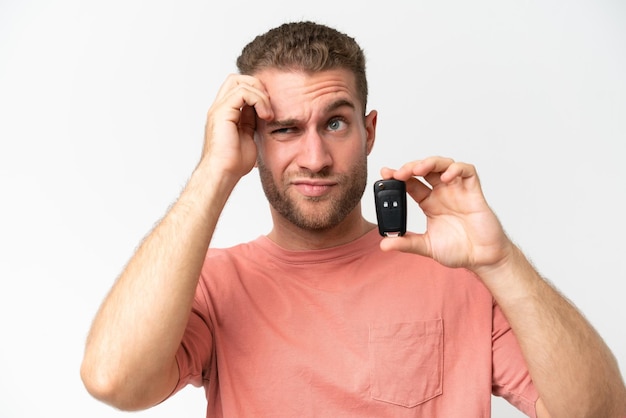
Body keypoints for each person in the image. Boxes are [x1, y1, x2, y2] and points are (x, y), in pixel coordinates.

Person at [80, 21, 626, 417]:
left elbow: (601, 412)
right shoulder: (216, 284)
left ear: (369, 131)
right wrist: (212, 172)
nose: (315, 157)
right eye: (285, 129)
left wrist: (502, 261)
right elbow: (113, 382)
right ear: (253, 139)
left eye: (335, 124)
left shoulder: (461, 278)